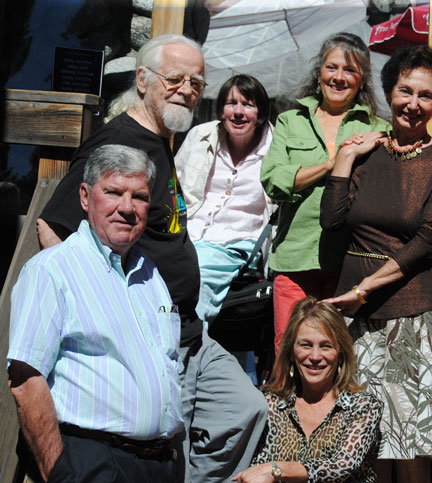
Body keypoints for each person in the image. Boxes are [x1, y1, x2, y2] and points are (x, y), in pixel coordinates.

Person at [36, 34, 267, 482]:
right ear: (143, 80)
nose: (187, 90)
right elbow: (54, 225)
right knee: (167, 443)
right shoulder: (122, 140)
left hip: (191, 328)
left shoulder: (163, 140)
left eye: (196, 82)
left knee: (245, 410)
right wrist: (105, 306)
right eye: (174, 78)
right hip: (153, 334)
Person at [321, 45, 432, 482]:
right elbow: (333, 220)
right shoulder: (366, 151)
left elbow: (427, 240)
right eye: (405, 91)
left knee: (413, 443)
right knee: (370, 439)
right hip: (357, 311)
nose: (413, 104)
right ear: (389, 92)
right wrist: (344, 158)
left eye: (426, 95)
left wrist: (366, 288)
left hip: (411, 309)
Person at [8, 145, 182, 482]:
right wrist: (59, 474)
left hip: (158, 465)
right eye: (114, 192)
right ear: (86, 197)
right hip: (93, 461)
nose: (127, 208)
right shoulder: (52, 270)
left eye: (140, 196)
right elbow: (26, 381)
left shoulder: (151, 275)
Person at [260, 32, 388, 351]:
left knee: (339, 353)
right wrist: (335, 163)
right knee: (289, 349)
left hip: (349, 264)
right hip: (294, 259)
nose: (339, 77)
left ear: (362, 81)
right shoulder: (291, 121)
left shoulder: (377, 129)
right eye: (332, 67)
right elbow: (273, 180)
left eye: (350, 70)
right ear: (319, 72)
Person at [233, 297, 383, 482]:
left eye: (326, 346)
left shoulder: (363, 406)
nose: (315, 356)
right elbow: (258, 467)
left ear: (340, 353)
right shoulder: (269, 404)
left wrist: (277, 469)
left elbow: (341, 466)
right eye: (305, 345)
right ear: (291, 351)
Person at [175, 74, 274, 324]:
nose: (238, 112)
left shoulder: (276, 148)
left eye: (248, 104)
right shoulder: (200, 136)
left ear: (260, 112)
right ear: (221, 109)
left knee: (195, 281)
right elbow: (173, 184)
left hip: (236, 242)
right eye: (231, 103)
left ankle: (186, 345)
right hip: (188, 234)